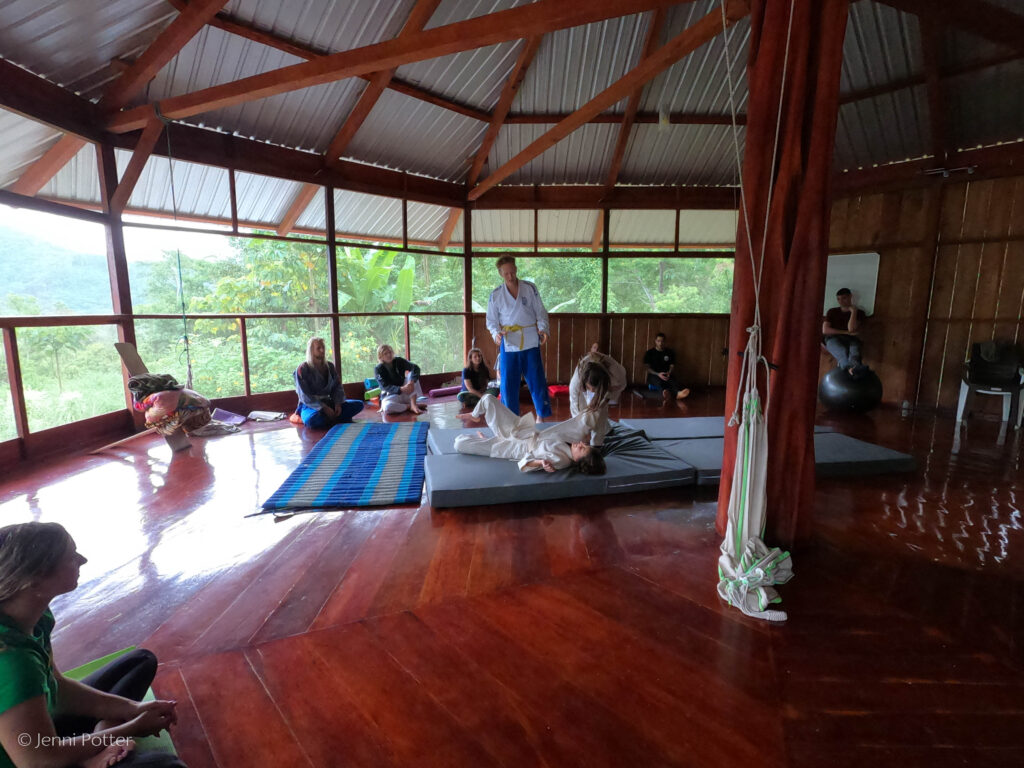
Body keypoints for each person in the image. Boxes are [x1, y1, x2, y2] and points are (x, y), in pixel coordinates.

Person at [0, 522, 185, 768]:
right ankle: (91, 757)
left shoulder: (35, 615)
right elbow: (38, 760)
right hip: (28, 754)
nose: (82, 560)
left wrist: (133, 709)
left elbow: (59, 689)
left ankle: (98, 742)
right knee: (168, 767)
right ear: (34, 581)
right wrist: (131, 728)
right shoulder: (13, 661)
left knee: (140, 661)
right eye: (71, 557)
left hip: (37, 730)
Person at [455, 394, 605, 475]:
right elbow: (582, 423)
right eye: (585, 445)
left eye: (583, 449)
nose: (581, 444)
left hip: (513, 447)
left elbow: (526, 462)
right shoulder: (572, 442)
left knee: (459, 444)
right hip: (520, 429)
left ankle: (489, 440)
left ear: (579, 460)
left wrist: (540, 463)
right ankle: (475, 415)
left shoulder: (561, 460)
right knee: (488, 399)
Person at [485, 255, 552, 419]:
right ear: (501, 274)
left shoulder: (530, 288)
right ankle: (510, 418)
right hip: (508, 342)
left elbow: (541, 312)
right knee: (508, 383)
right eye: (506, 273)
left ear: (516, 269)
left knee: (536, 380)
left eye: (512, 272)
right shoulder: (496, 295)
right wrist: (496, 335)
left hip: (530, 339)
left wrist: (543, 329)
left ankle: (541, 416)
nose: (510, 276)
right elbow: (491, 321)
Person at [292, 337, 364, 428]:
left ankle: (331, 418)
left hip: (330, 403)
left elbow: (337, 387)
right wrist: (324, 408)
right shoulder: (302, 369)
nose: (322, 350)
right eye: (318, 348)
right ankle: (333, 418)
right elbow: (304, 396)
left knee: (359, 405)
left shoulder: (330, 366)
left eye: (323, 347)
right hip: (311, 407)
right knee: (312, 420)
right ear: (311, 350)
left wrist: (338, 404)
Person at [568, 345, 623, 447]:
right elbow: (575, 407)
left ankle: (597, 444)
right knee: (583, 417)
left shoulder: (616, 375)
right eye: (590, 388)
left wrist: (603, 402)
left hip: (605, 384)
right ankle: (583, 439)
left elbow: (615, 391)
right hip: (583, 383)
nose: (592, 391)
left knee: (599, 411)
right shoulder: (576, 382)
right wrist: (583, 432)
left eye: (595, 389)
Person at [822, 287, 868, 376]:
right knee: (841, 353)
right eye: (838, 299)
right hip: (833, 338)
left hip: (852, 339)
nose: (841, 301)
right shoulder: (832, 311)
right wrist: (845, 332)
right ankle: (850, 370)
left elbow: (851, 329)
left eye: (844, 298)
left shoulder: (860, 313)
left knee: (854, 354)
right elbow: (825, 330)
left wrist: (853, 312)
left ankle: (854, 370)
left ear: (850, 297)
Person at [374, 345, 423, 416]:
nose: (389, 355)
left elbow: (415, 368)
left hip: (407, 393)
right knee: (387, 408)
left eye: (390, 352)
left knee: (412, 376)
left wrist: (411, 383)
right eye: (385, 353)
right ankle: (409, 406)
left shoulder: (398, 361)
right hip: (391, 395)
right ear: (380, 357)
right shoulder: (378, 369)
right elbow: (384, 386)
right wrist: (400, 389)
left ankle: (413, 404)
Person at [642, 332, 690, 403]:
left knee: (672, 381)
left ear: (664, 342)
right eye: (658, 341)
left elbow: (672, 365)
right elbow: (647, 368)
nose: (660, 343)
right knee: (657, 381)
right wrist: (657, 374)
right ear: (655, 341)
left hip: (666, 373)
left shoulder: (669, 352)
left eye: (662, 341)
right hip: (654, 374)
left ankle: (678, 393)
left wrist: (669, 372)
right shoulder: (650, 353)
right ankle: (664, 392)